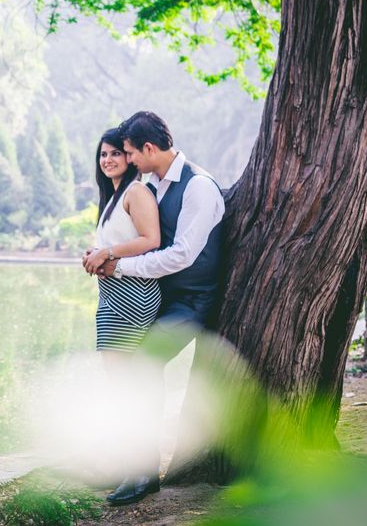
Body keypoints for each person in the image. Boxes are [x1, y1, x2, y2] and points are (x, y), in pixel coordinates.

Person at [94, 111, 225, 507]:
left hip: (191, 301)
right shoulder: (152, 184)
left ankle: (145, 471)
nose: (128, 159)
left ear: (149, 149)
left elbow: (183, 255)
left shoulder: (199, 187)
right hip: (158, 299)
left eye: (131, 152)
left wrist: (120, 265)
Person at [82, 127, 161, 357]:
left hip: (132, 294)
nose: (107, 160)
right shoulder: (113, 198)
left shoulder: (135, 192)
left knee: (120, 379)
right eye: (103, 154)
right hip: (112, 293)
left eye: (115, 153)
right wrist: (93, 255)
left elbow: (151, 239)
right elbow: (119, 241)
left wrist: (105, 253)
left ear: (129, 156)